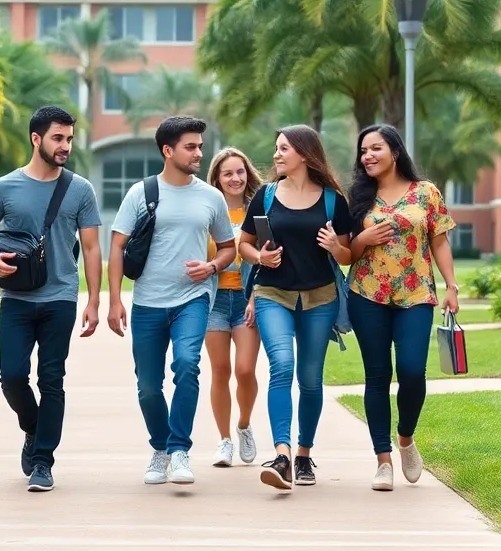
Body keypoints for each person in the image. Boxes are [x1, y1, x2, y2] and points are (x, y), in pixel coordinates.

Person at [0, 106, 103, 494]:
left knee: (51, 378)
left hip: (60, 296)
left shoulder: (80, 189)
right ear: (36, 139)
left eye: (69, 139)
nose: (65, 146)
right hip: (16, 298)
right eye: (58, 138)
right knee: (11, 376)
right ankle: (33, 427)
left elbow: (92, 249)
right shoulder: (5, 187)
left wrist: (93, 301)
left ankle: (43, 461)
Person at [108, 116, 236, 486]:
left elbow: (228, 248)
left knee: (186, 365)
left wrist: (212, 266)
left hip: (193, 299)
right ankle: (160, 448)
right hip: (147, 302)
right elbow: (116, 247)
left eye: (199, 145)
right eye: (190, 147)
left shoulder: (211, 197)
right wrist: (115, 301)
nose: (199, 153)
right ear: (168, 150)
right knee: (148, 385)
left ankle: (179, 449)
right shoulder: (141, 192)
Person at [346, 124, 460, 492]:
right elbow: (348, 252)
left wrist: (451, 286)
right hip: (367, 295)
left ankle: (406, 438)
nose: (367, 156)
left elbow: (439, 242)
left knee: (412, 370)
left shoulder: (426, 193)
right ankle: (383, 460)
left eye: (375, 148)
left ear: (394, 151)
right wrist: (362, 238)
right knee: (377, 376)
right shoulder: (358, 197)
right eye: (363, 150)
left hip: (415, 295)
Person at [239, 125, 352, 490]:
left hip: (320, 298)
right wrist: (261, 257)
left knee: (310, 379)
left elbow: (349, 254)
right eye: (276, 148)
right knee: (282, 367)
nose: (276, 155)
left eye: (283, 148)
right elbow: (244, 245)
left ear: (303, 153)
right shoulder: (266, 197)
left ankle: (304, 455)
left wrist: (336, 247)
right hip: (273, 294)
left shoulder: (334, 200)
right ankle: (283, 455)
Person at [203, 147, 263, 468]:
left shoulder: (260, 210)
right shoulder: (207, 212)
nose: (235, 178)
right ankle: (224, 440)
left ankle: (244, 425)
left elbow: (266, 257)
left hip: (247, 299)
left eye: (240, 172)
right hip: (214, 301)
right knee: (221, 371)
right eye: (228, 173)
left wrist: (256, 295)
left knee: (245, 370)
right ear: (217, 178)